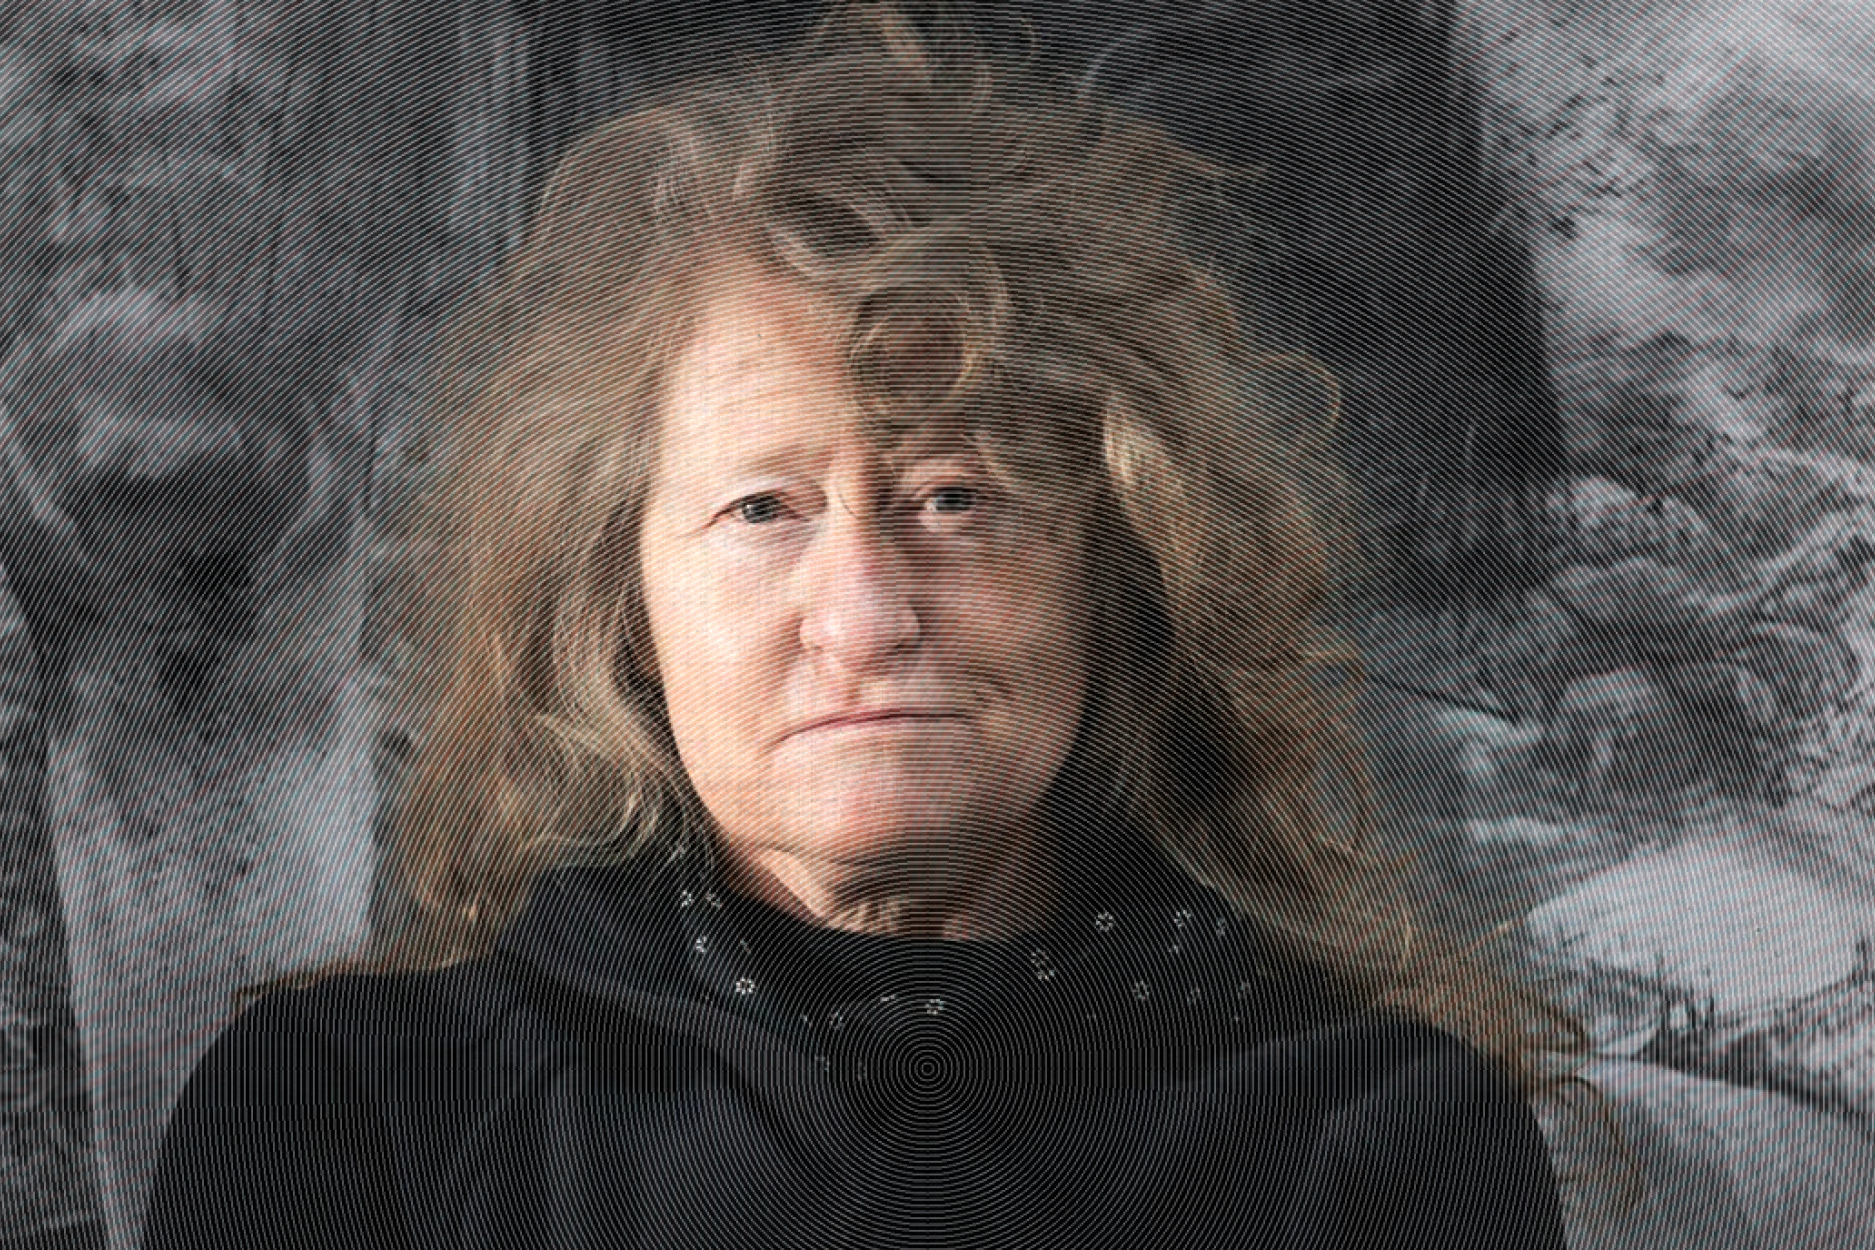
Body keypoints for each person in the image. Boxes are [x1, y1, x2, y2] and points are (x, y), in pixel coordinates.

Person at [143, 4, 1585, 1246]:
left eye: (955, 497)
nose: (865, 613)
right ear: (621, 609)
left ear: (1116, 570)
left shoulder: (1384, 1127)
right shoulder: (345, 1110)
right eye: (764, 508)